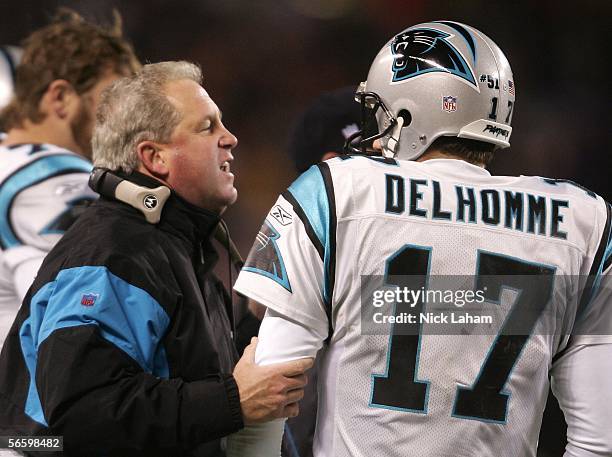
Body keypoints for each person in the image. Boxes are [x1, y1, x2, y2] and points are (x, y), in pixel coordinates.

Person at [232, 21, 612, 456]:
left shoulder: (337, 191)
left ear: (410, 112)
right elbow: (599, 440)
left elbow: (269, 391)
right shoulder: (583, 220)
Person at [0, 60, 312, 456]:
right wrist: (232, 400)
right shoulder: (114, 253)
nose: (230, 138)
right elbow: (82, 417)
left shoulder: (171, 244)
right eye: (207, 127)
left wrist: (255, 326)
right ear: (155, 158)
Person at [0, 9, 140, 348]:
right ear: (60, 97)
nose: (128, 124)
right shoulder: (56, 178)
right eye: (112, 102)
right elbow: (86, 323)